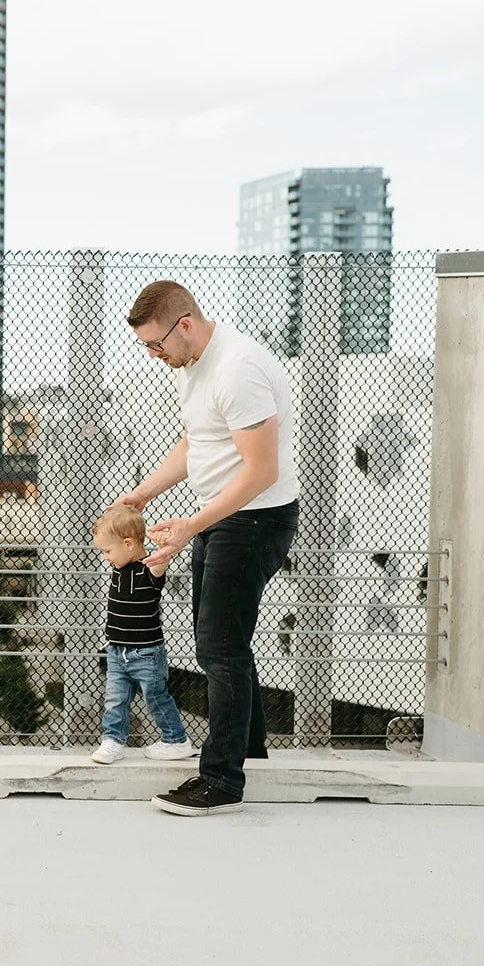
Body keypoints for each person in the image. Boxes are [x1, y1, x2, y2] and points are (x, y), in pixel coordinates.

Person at [116, 280, 299, 817]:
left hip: (254, 519)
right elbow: (198, 442)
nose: (154, 356)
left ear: (186, 325)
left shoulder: (236, 368)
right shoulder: (194, 365)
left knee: (218, 646)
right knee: (223, 641)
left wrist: (193, 524)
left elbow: (261, 471)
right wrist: (145, 492)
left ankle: (221, 782)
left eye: (157, 345)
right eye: (145, 347)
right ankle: (247, 753)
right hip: (223, 518)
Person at [89, 505, 195, 765]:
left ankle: (176, 740)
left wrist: (162, 548)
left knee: (155, 696)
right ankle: (113, 740)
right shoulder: (119, 568)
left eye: (107, 551)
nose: (106, 557)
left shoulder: (150, 568)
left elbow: (160, 562)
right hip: (117, 650)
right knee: (115, 698)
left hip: (146, 653)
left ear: (127, 544)